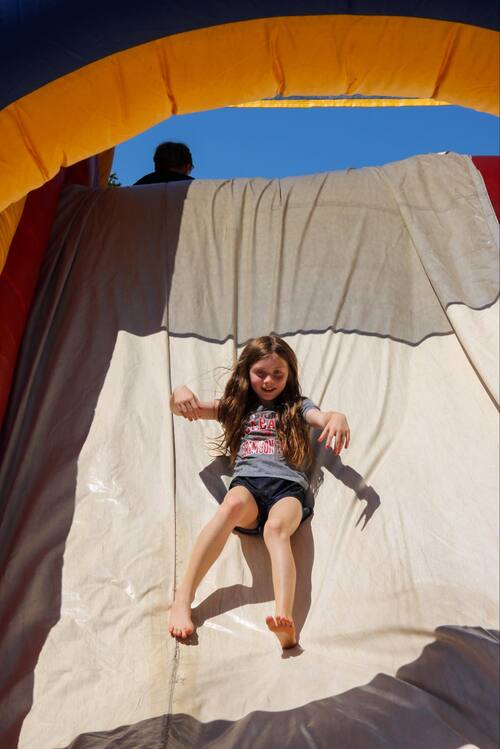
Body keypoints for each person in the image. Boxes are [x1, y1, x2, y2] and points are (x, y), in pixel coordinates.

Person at [168, 335, 350, 649]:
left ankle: (284, 619)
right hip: (248, 488)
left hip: (288, 490)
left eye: (278, 374)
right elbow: (186, 409)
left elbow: (323, 417)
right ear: (247, 372)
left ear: (289, 375)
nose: (269, 381)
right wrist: (179, 394)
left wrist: (338, 417)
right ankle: (183, 599)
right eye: (261, 373)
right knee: (230, 506)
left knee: (276, 530)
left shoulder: (297, 406)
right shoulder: (236, 408)